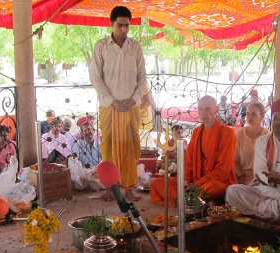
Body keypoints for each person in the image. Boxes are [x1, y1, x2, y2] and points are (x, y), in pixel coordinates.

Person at [90, 5, 147, 201]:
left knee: (131, 147)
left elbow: (142, 78)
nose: (124, 30)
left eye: (127, 26)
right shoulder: (101, 46)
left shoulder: (135, 47)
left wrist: (134, 99)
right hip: (109, 107)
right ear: (111, 24)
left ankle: (130, 188)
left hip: (131, 107)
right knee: (109, 147)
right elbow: (96, 78)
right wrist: (111, 101)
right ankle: (110, 189)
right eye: (120, 25)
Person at [225, 99, 280, 221]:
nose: (277, 123)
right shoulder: (262, 141)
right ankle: (272, 210)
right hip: (263, 189)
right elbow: (259, 171)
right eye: (275, 118)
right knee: (232, 190)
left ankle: (259, 209)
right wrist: (270, 178)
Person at [150, 95, 236, 206]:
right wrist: (186, 180)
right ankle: (197, 201)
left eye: (208, 109)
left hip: (216, 182)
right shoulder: (196, 132)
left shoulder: (227, 133)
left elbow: (223, 170)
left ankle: (189, 199)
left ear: (216, 110)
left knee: (211, 187)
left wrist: (197, 184)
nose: (203, 112)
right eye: (200, 109)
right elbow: (188, 162)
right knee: (158, 183)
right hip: (194, 182)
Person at [234, 102, 269, 185]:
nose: (249, 117)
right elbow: (234, 160)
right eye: (248, 114)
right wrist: (241, 176)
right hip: (240, 177)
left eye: (253, 114)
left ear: (262, 117)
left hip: (260, 178)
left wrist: (255, 177)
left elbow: (269, 164)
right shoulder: (240, 134)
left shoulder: (268, 136)